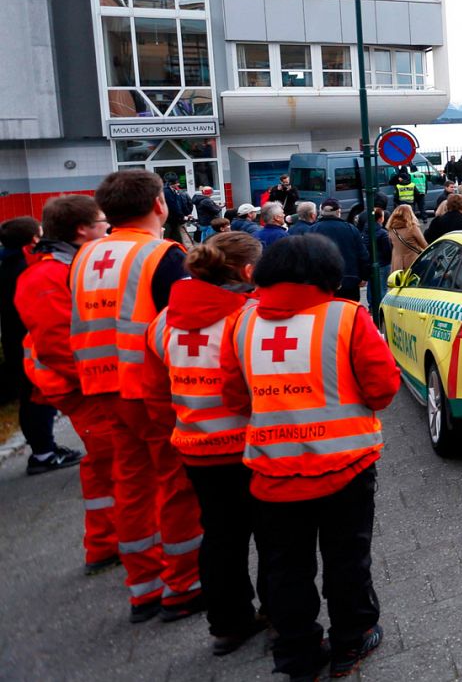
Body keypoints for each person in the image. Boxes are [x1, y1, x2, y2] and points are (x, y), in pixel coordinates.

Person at [219, 235, 398, 680]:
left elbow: (234, 398)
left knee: (284, 567)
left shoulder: (239, 325)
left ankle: (297, 654)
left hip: (272, 472)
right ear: (330, 276)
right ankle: (351, 642)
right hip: (346, 469)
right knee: (347, 559)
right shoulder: (348, 318)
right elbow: (382, 389)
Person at [69, 169, 203, 622]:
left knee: (129, 484)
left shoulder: (84, 257)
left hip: (100, 387)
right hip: (151, 389)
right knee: (176, 483)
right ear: (160, 205)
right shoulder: (162, 255)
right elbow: (184, 328)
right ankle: (183, 585)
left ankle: (143, 587)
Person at [143, 232, 268, 655]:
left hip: (196, 447)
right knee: (273, 535)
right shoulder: (252, 317)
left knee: (218, 536)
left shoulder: (161, 322)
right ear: (248, 271)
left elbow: (155, 394)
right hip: (252, 447)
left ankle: (228, 625)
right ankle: (277, 613)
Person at [14, 197, 110, 575]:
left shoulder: (64, 267)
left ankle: (109, 542)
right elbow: (59, 346)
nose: (107, 226)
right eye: (101, 221)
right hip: (81, 387)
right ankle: (106, 545)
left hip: (86, 383)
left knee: (110, 465)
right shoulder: (45, 276)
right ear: (81, 230)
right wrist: (102, 382)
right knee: (108, 465)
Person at [3, 215, 83, 475]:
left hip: (17, 340)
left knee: (34, 397)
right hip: (29, 341)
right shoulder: (23, 267)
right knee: (37, 397)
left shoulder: (9, 263)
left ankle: (43, 449)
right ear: (34, 239)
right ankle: (43, 453)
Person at [308, 198, 367, 301]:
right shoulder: (351, 229)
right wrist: (364, 276)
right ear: (339, 212)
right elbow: (362, 254)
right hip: (349, 280)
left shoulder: (312, 230)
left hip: (322, 283)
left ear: (321, 211)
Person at [386, 205, 427, 274]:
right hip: (412, 261)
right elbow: (424, 244)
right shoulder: (412, 228)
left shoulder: (391, 229)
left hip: (396, 263)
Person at [162, 173, 193, 243]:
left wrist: (188, 213)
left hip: (175, 219)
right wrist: (182, 216)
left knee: (177, 239)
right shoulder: (166, 192)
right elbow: (172, 206)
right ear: (172, 183)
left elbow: (181, 203)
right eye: (176, 182)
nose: (178, 184)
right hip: (169, 220)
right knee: (167, 239)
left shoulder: (174, 191)